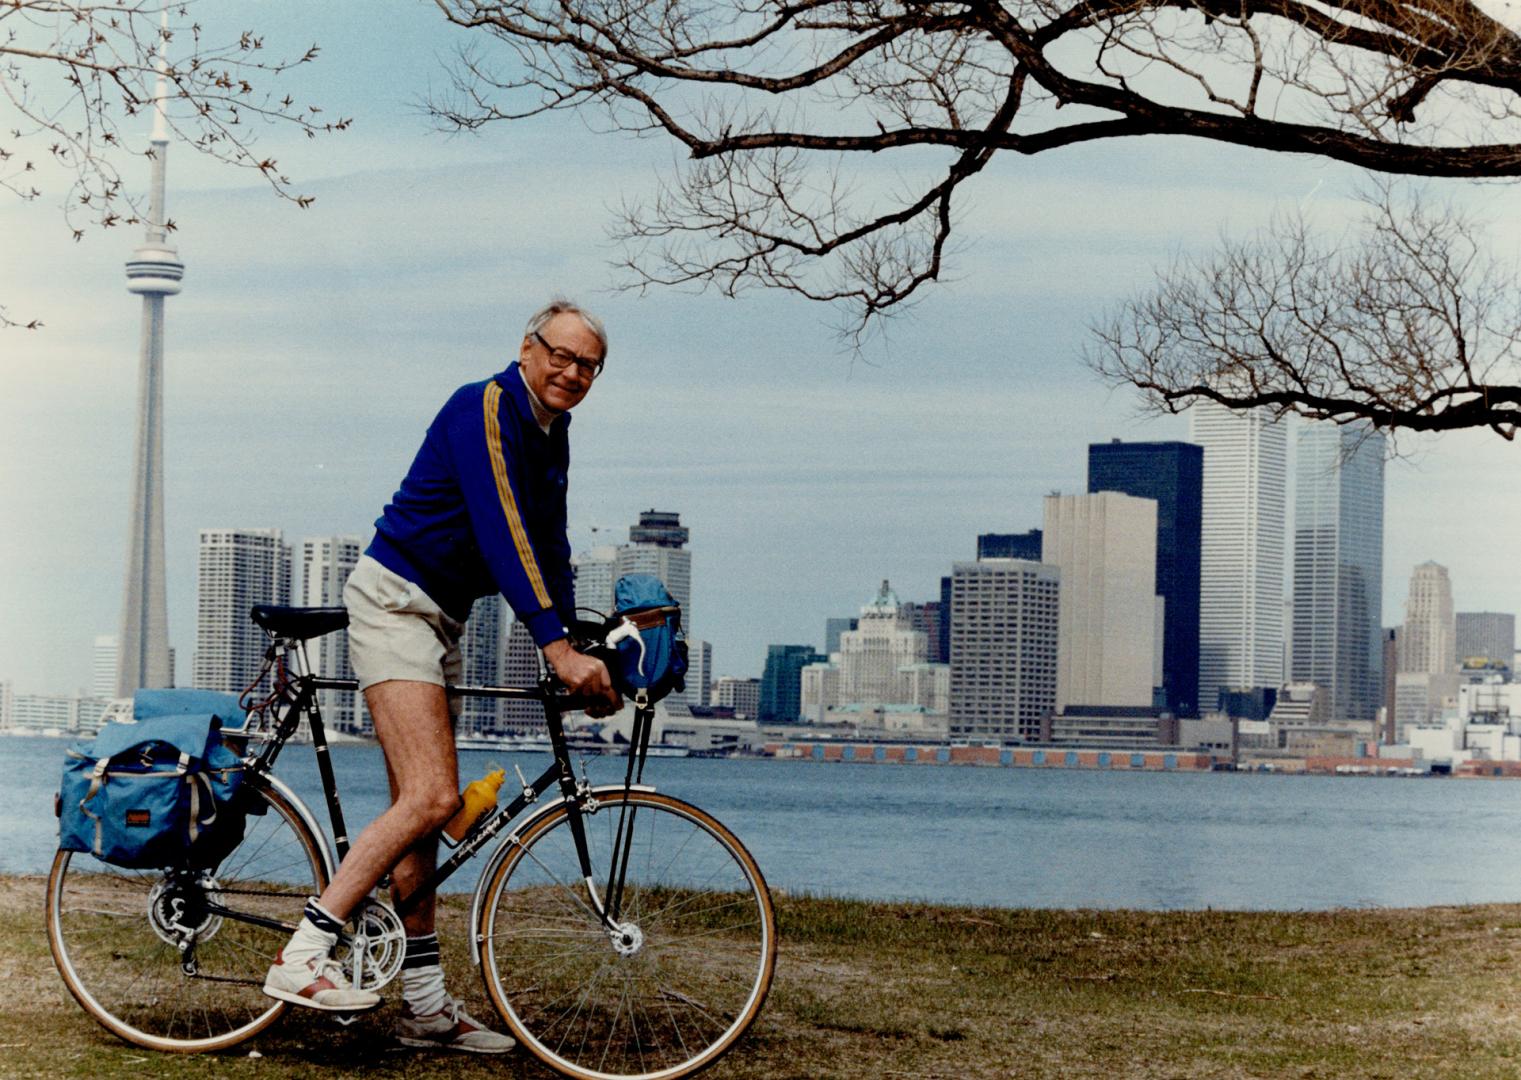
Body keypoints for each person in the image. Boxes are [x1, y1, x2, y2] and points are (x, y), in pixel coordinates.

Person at [262, 299, 623, 1053]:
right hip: (395, 600)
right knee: (432, 796)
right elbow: (500, 529)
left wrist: (579, 633)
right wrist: (552, 648)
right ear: (526, 349)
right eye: (560, 354)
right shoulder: (482, 407)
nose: (571, 372)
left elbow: (548, 540)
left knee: (421, 815)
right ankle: (301, 956)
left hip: (441, 614)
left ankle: (425, 1007)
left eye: (588, 364)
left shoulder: (552, 434)